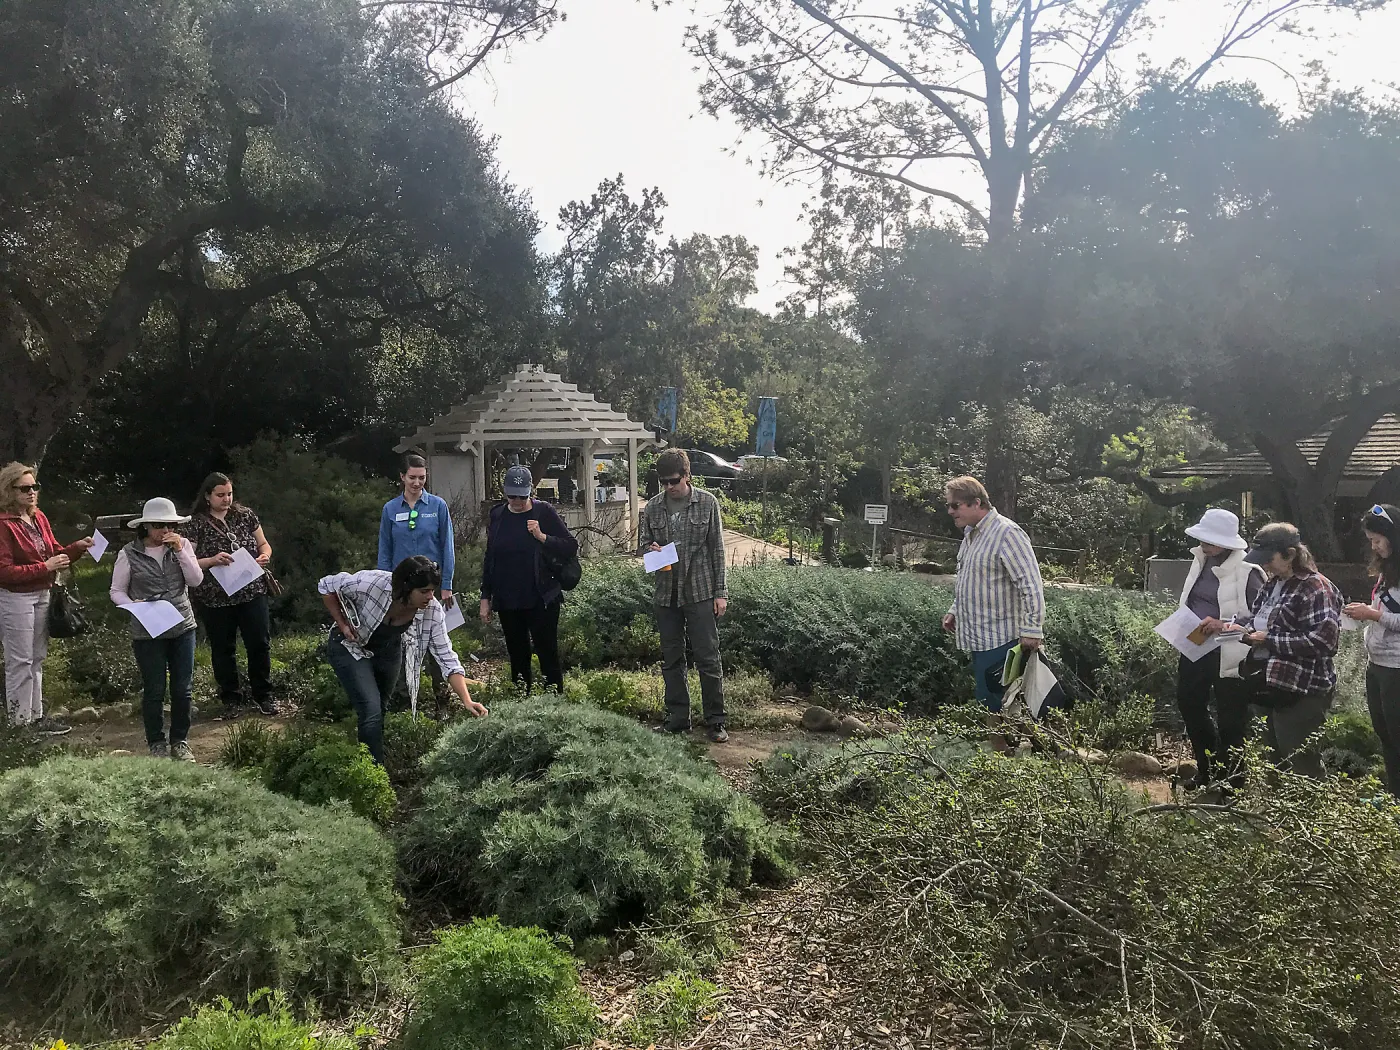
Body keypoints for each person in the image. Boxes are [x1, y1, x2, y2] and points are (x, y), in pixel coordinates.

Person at [319, 555, 486, 764]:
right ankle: (373, 774)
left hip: (388, 649)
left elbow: (446, 657)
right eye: (424, 591)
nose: (430, 597)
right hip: (349, 646)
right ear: (406, 588)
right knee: (371, 710)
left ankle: (371, 760)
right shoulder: (372, 584)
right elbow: (326, 585)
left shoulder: (432, 611)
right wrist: (343, 624)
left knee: (380, 709)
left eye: (432, 591)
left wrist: (466, 700)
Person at [1205, 522, 1341, 779]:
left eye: (1270, 558)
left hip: (1302, 689)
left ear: (1290, 555)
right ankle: (1277, 817)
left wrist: (1270, 640)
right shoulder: (1273, 583)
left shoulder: (1317, 588)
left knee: (1301, 763)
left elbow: (1324, 642)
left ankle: (1309, 816)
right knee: (1274, 762)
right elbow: (1255, 619)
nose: (1265, 565)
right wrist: (1232, 627)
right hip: (1269, 684)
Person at [639, 449, 729, 742]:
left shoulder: (707, 503)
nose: (669, 487)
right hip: (666, 594)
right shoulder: (652, 508)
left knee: (708, 658)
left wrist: (720, 593)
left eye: (674, 481)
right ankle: (678, 719)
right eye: (663, 482)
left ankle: (715, 721)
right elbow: (642, 546)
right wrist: (649, 550)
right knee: (671, 659)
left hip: (701, 591)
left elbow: (717, 549)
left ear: (687, 476)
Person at [0, 462, 94, 733]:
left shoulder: (38, 517)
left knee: (37, 657)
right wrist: (45, 567)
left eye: (34, 487)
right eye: (24, 489)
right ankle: (20, 724)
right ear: (9, 491)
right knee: (20, 661)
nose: (31, 493)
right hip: (15, 597)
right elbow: (4, 572)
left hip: (42, 592)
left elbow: (54, 552)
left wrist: (76, 548)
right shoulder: (4, 524)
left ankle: (36, 717)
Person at [1174, 508, 1265, 787]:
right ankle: (1208, 770)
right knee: (1189, 704)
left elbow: (1259, 618)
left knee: (1231, 719)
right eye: (1203, 539)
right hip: (1195, 644)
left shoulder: (1249, 572)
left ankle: (1233, 783)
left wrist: (1223, 623)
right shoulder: (1200, 560)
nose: (1205, 545)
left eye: (1211, 541)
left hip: (1231, 652)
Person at [940, 475, 1045, 712]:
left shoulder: (1007, 533)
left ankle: (1009, 747)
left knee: (1002, 702)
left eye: (955, 505)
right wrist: (955, 610)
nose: (950, 511)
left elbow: (1031, 585)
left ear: (977, 503)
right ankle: (1001, 746)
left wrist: (1032, 630)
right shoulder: (970, 535)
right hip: (980, 637)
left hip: (1003, 639)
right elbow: (972, 579)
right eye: (948, 505)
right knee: (989, 699)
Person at [110, 498, 204, 760]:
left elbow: (196, 580)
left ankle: (180, 741)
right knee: (154, 688)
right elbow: (116, 591)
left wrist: (181, 552)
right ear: (146, 527)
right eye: (158, 525)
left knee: (182, 688)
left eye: (170, 525)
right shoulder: (129, 553)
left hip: (182, 625)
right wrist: (133, 605)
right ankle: (156, 742)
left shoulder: (181, 546)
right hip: (148, 629)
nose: (165, 530)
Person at [479, 465, 579, 694]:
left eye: (522, 496)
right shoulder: (498, 515)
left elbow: (570, 546)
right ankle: (522, 708)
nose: (516, 500)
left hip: (541, 598)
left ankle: (554, 705)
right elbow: (490, 557)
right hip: (507, 599)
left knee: (548, 655)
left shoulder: (544, 512)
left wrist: (542, 537)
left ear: (530, 491)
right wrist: (486, 596)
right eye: (511, 495)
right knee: (517, 657)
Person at [183, 472, 275, 716]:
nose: (226, 499)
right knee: (223, 648)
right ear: (207, 496)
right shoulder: (195, 523)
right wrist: (212, 560)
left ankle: (263, 695)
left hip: (251, 590)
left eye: (229, 494)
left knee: (259, 643)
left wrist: (264, 555)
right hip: (216, 597)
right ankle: (231, 699)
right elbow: (188, 561)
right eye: (220, 495)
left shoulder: (245, 515)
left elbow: (264, 543)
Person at [379, 454, 455, 705]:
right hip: (402, 587)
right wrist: (384, 585)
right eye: (412, 477)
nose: (417, 483)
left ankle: (440, 696)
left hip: (431, 586)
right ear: (402, 477)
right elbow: (385, 550)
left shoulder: (437, 506)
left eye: (422, 478)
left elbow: (447, 547)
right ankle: (400, 696)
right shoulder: (390, 509)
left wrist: (446, 585)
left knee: (437, 639)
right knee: (401, 638)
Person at [1344, 504, 1400, 793]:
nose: (1375, 547)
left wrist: (1374, 615)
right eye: (1370, 542)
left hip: (1397, 667)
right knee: (1386, 736)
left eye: (1378, 540)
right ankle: (1394, 798)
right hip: (1377, 663)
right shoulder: (1386, 572)